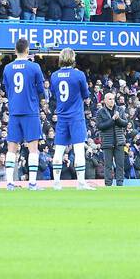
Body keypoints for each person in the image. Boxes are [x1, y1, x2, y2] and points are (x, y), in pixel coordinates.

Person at [3, 37, 47, 189]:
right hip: (30, 111)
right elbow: (41, 90)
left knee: (11, 148)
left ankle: (9, 183)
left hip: (15, 111)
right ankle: (32, 183)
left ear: (15, 50)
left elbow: (7, 89)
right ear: (27, 50)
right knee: (33, 148)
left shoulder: (7, 68)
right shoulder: (34, 67)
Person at [49, 49, 92, 189]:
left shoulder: (54, 76)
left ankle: (56, 182)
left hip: (62, 117)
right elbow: (86, 95)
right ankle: (81, 183)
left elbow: (54, 94)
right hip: (76, 117)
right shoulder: (79, 74)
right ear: (73, 59)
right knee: (79, 149)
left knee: (59, 150)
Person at [94, 89, 127, 186]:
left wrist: (118, 119)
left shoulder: (120, 110)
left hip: (119, 141)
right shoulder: (100, 112)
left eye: (113, 99)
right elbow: (100, 126)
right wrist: (112, 119)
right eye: (109, 99)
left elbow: (125, 123)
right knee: (108, 165)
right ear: (105, 100)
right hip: (107, 142)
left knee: (120, 164)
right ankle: (108, 184)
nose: (112, 101)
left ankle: (120, 183)